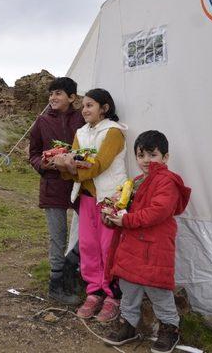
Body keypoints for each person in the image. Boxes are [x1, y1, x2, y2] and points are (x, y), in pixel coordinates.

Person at [102, 130, 191, 353]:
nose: (146, 161)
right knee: (128, 287)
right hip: (132, 246)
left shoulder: (168, 181)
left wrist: (126, 220)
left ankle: (170, 328)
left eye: (153, 155)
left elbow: (157, 212)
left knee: (158, 290)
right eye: (141, 156)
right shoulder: (136, 182)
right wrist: (112, 216)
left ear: (165, 157)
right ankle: (128, 325)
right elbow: (125, 210)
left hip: (155, 247)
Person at [53, 88, 127, 322]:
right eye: (83, 105)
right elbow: (76, 166)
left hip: (108, 198)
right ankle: (94, 292)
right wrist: (64, 165)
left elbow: (99, 164)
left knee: (108, 247)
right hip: (86, 198)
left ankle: (113, 296)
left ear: (105, 108)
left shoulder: (114, 132)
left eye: (90, 105)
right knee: (88, 246)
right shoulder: (81, 132)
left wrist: (71, 165)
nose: (85, 110)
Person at [28, 77, 85, 304]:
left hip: (82, 185)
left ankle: (73, 265)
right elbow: (33, 154)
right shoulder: (41, 122)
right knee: (58, 237)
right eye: (51, 93)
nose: (53, 97)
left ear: (72, 98)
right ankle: (56, 285)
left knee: (92, 230)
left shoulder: (82, 118)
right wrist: (43, 164)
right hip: (52, 186)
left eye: (58, 93)